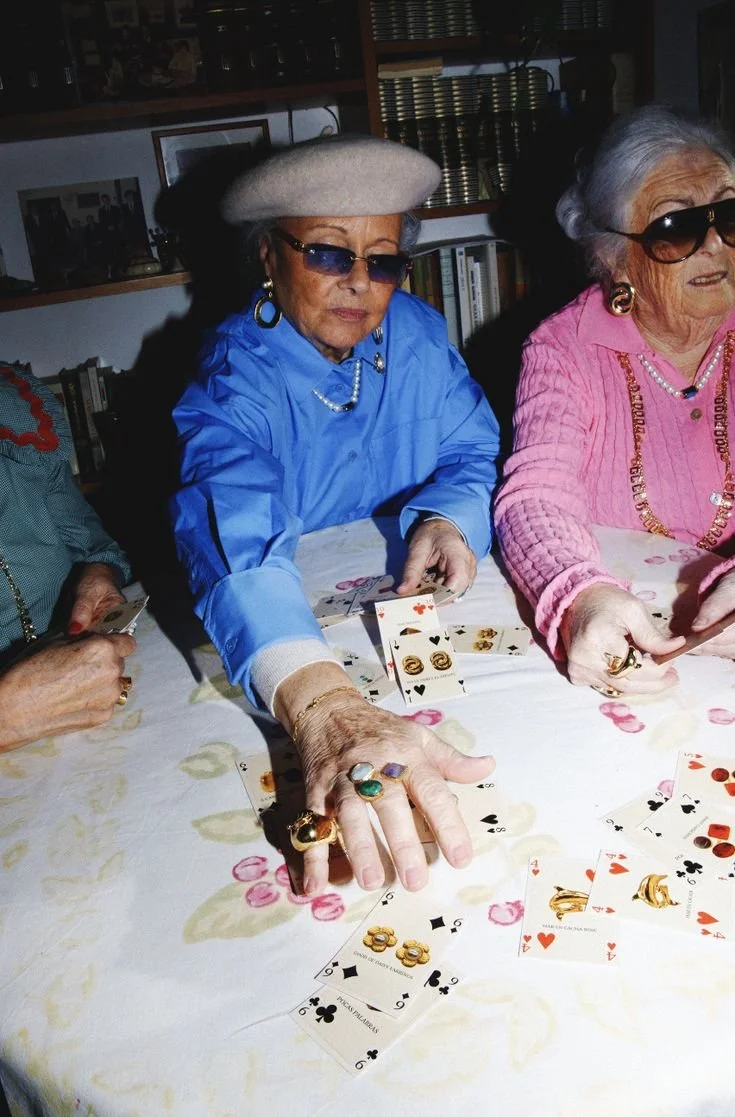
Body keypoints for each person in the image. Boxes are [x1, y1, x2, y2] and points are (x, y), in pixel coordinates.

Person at [172, 135, 500, 896]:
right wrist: (320, 706)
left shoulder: (415, 333)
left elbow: (470, 450)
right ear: (267, 255)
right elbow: (233, 531)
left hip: (399, 616)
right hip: (284, 635)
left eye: (381, 260)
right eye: (327, 253)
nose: (359, 282)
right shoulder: (232, 375)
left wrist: (447, 519)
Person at [495, 105, 735, 701]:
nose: (714, 244)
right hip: (624, 644)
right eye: (675, 225)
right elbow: (534, 495)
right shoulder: (561, 349)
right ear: (613, 255)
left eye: (729, 214)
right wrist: (580, 595)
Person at [0, 362, 136, 752]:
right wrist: (8, 716)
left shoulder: (13, 411)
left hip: (88, 696)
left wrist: (98, 572)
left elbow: (93, 545)